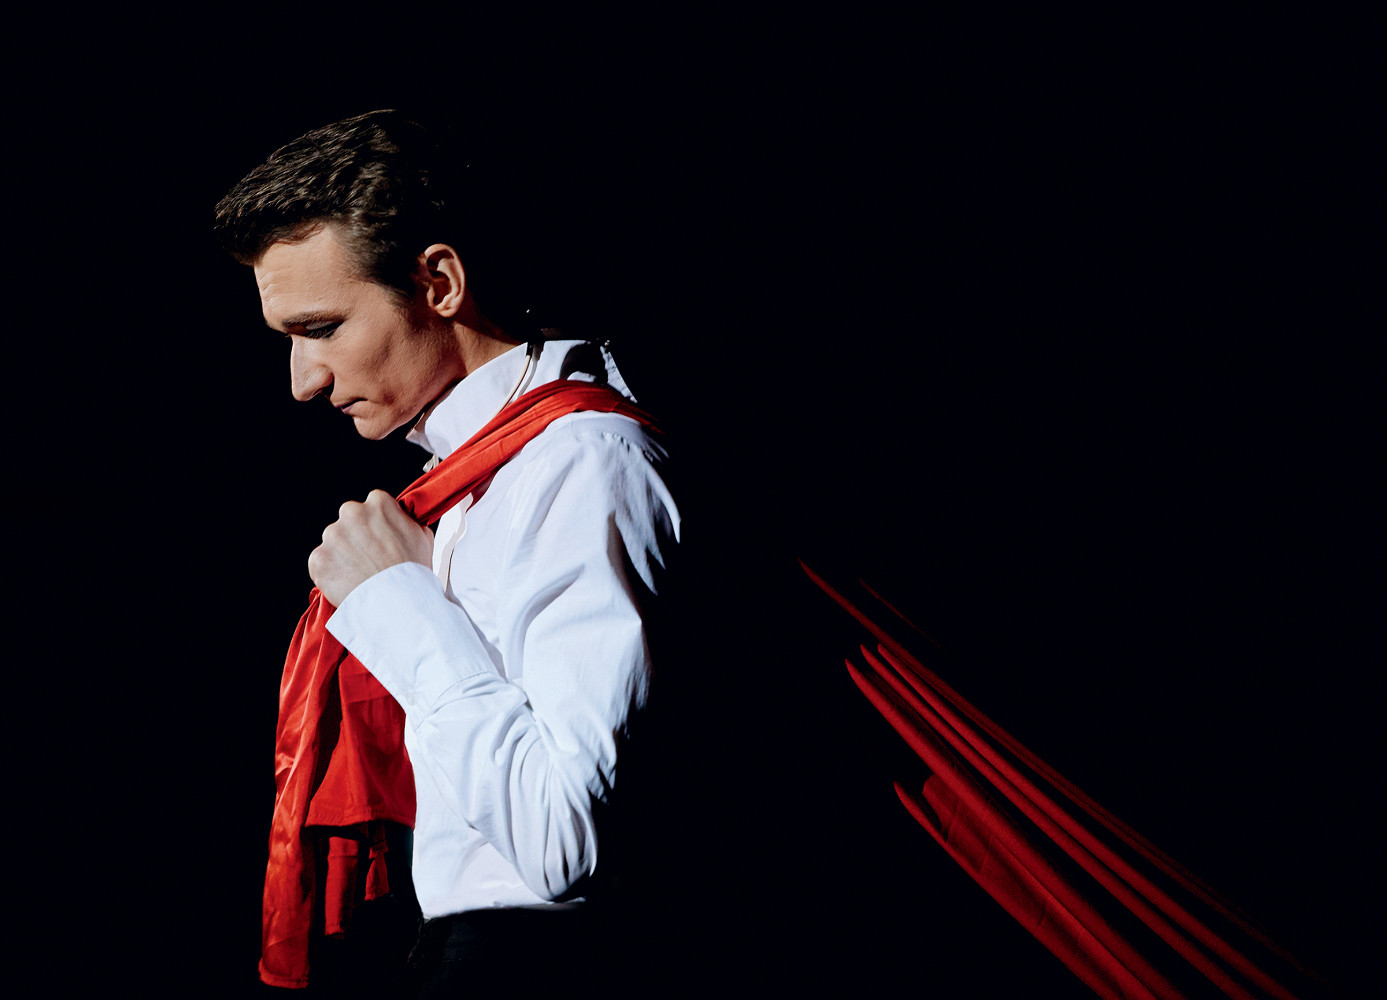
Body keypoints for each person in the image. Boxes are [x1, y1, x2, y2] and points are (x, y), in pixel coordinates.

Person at [214, 110, 682, 996]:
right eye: (290, 341)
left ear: (438, 282)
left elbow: (563, 844)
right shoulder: (470, 480)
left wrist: (397, 600)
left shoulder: (584, 460)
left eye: (322, 328)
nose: (303, 381)